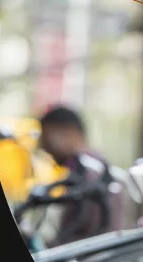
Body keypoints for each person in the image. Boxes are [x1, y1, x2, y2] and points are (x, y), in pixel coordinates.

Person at [38, 105, 124, 246]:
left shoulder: (91, 170)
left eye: (47, 138)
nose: (44, 147)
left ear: (70, 133)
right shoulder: (87, 166)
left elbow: (89, 228)